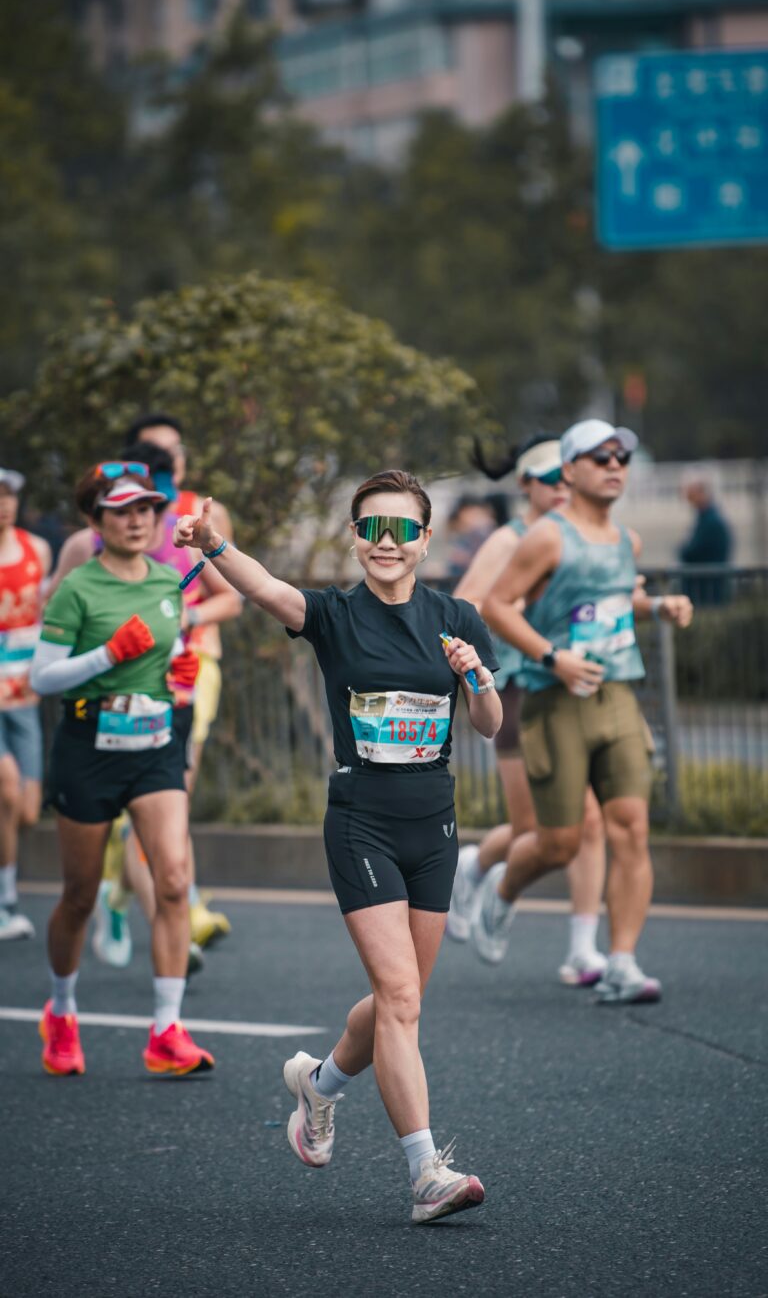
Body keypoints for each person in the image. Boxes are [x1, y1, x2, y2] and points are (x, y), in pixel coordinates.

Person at [173, 471, 502, 1224]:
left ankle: (318, 1084)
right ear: (356, 536)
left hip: (435, 823)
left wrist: (475, 676)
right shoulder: (333, 614)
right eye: (372, 528)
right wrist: (214, 542)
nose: (387, 543)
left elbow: (488, 723)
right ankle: (426, 1172)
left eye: (403, 530)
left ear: (423, 539)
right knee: (400, 997)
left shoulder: (456, 617)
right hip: (362, 820)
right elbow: (262, 587)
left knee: (401, 1000)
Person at [480, 420, 693, 1005]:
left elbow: (613, 603)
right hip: (556, 701)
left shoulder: (627, 542)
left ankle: (621, 961)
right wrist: (553, 657)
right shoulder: (546, 538)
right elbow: (497, 606)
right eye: (600, 457)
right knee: (559, 843)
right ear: (570, 471)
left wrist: (658, 606)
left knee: (631, 829)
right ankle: (501, 891)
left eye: (622, 456)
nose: (615, 465)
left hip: (618, 695)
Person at [29, 465, 214, 1077]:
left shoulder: (168, 579)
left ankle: (166, 1030)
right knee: (80, 895)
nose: (138, 520)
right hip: (89, 745)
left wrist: (180, 675)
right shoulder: (77, 588)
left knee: (172, 880)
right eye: (122, 510)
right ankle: (60, 1010)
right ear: (96, 520)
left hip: (155, 744)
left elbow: (174, 651)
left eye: (147, 509)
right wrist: (108, 654)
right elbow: (42, 678)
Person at [49, 412, 239, 948]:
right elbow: (53, 629)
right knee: (86, 873)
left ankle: (176, 904)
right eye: (155, 455)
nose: (166, 465)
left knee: (174, 790)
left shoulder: (199, 517)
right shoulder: (89, 550)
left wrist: (184, 618)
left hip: (189, 675)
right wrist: (106, 648)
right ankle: (117, 889)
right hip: (104, 704)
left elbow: (232, 595)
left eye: (173, 453)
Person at [448, 435, 608, 984]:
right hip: (518, 686)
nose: (561, 489)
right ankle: (478, 866)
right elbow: (464, 606)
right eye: (549, 480)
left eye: (567, 477)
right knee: (531, 828)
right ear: (525, 486)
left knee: (589, 818)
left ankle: (585, 949)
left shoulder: (581, 535)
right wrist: (509, 613)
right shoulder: (509, 540)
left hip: (573, 690)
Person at [0, 468, 51, 940]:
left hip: (24, 693)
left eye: (10, 495)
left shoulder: (37, 550)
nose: (4, 504)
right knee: (8, 788)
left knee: (29, 809)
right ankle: (6, 902)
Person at [679, 471, 733, 606]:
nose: (689, 499)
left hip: (708, 589)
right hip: (709, 586)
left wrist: (683, 551)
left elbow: (692, 551)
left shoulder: (710, 521)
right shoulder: (709, 518)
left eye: (692, 494)